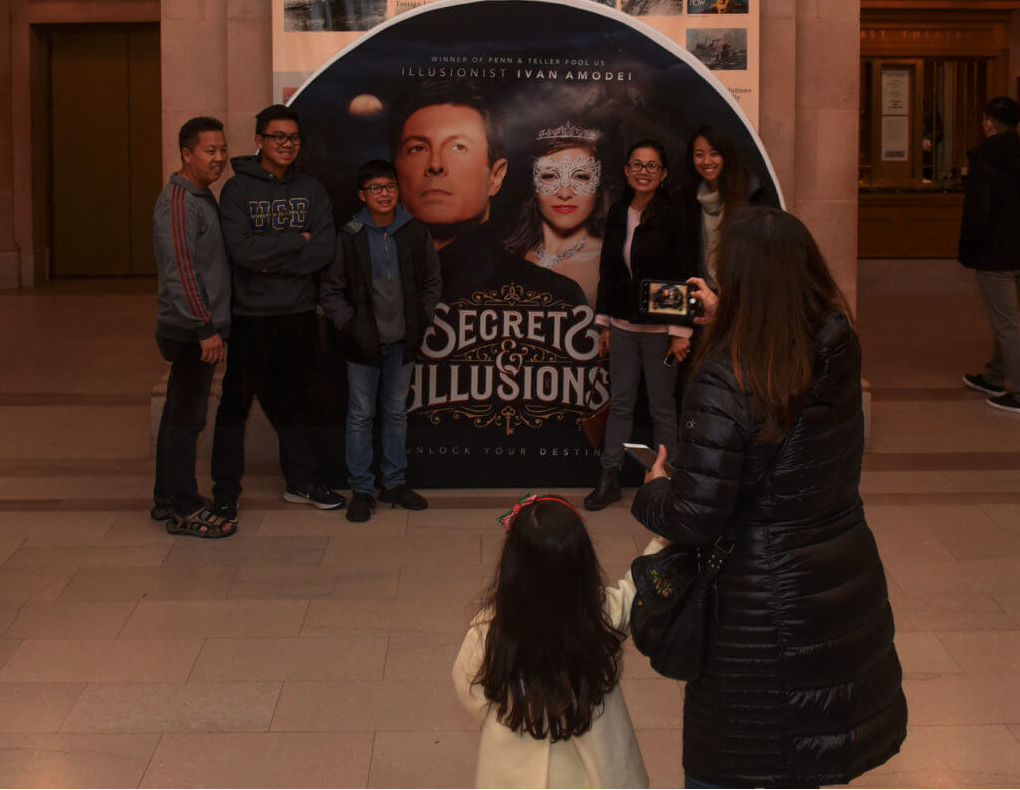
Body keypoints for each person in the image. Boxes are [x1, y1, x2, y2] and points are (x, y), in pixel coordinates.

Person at [631, 207, 908, 788]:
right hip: (836, 575)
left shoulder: (725, 374)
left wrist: (653, 489)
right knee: (806, 759)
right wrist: (727, 317)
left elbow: (694, 515)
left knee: (732, 766)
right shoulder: (837, 340)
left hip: (755, 607)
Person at [452, 495, 663, 788]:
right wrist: (666, 536)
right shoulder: (598, 616)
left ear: (512, 564)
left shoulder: (490, 631)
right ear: (583, 563)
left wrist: (508, 717)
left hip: (514, 774)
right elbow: (635, 587)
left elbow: (469, 690)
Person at [211, 104, 344, 518]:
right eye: (278, 137)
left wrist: (273, 261)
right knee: (235, 405)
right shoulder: (237, 190)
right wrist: (295, 241)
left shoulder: (312, 189)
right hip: (250, 316)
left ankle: (301, 482)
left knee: (296, 401)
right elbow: (242, 252)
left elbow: (323, 249)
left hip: (298, 313)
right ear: (259, 140)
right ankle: (225, 491)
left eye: (293, 137)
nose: (287, 144)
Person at [320, 160, 442, 522]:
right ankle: (362, 488)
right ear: (363, 195)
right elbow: (331, 291)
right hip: (363, 345)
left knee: (396, 413)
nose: (384, 194)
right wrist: (351, 326)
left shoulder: (415, 231)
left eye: (389, 186)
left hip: (403, 342)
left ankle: (394, 482)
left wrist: (422, 318)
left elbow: (432, 282)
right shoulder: (351, 235)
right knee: (360, 415)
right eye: (375, 188)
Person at [392, 82, 585, 305]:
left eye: (458, 147)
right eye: (418, 148)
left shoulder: (553, 297)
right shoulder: (365, 286)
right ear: (395, 173)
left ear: (496, 175)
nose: (435, 165)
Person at [586, 139, 695, 511]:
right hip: (621, 326)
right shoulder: (619, 211)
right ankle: (609, 477)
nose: (643, 172)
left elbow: (683, 272)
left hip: (661, 331)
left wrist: (680, 331)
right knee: (620, 404)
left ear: (663, 174)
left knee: (663, 407)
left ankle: (669, 482)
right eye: (637, 164)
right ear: (626, 170)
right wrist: (604, 324)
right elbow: (609, 270)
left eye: (651, 166)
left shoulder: (676, 214)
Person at [151, 116, 236, 539]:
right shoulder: (180, 201)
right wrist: (205, 328)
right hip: (190, 329)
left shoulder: (201, 196)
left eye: (222, 149)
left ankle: (167, 497)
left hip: (195, 326)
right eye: (210, 150)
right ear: (187, 154)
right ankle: (185, 509)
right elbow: (181, 272)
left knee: (177, 416)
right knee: (186, 420)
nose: (219, 158)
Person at [959, 96, 1020, 414]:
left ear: (988, 122)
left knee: (1008, 324)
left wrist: (969, 250)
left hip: (996, 254)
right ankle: (994, 376)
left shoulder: (984, 159)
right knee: (1008, 318)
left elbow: (978, 213)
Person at [503, 123, 610, 305]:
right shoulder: (506, 257)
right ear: (534, 186)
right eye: (550, 176)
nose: (564, 193)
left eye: (581, 177)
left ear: (598, 188)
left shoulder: (612, 262)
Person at [682, 125, 775, 290]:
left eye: (714, 154)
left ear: (726, 155)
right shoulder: (688, 200)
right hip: (705, 295)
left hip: (744, 295)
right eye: (699, 155)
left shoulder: (752, 196)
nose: (706, 161)